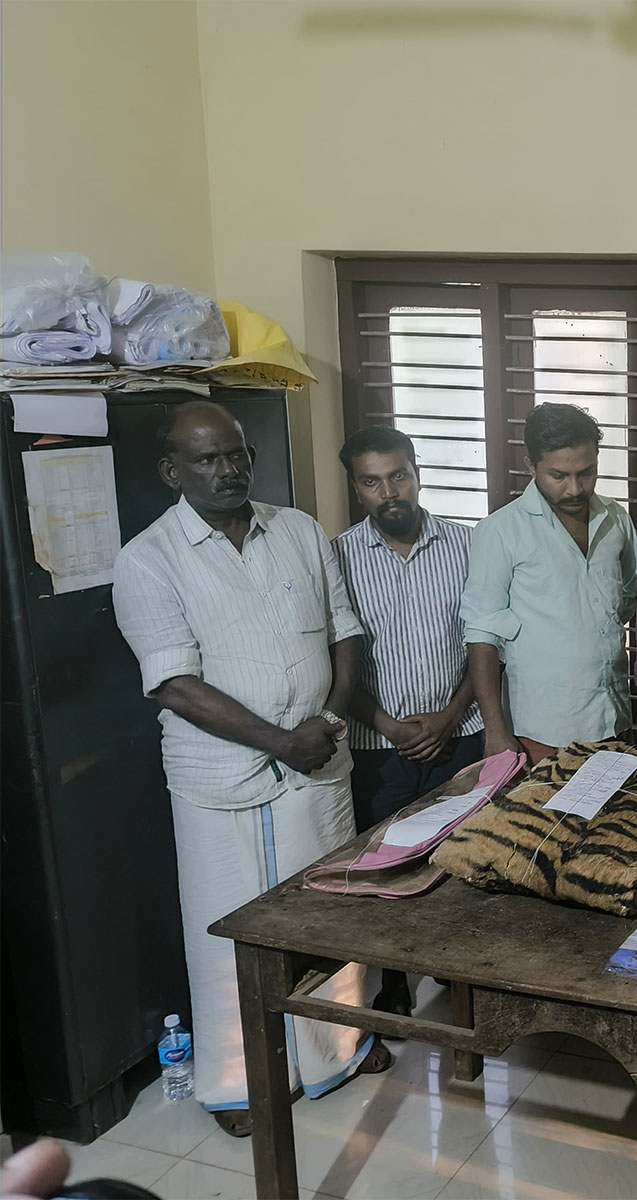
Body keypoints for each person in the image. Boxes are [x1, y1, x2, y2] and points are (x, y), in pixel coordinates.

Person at [112, 401, 389, 1139]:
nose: (229, 469)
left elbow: (346, 634)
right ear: (173, 470)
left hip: (318, 761)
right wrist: (277, 739)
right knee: (228, 933)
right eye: (207, 459)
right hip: (221, 781)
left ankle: (344, 1045)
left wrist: (326, 723)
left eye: (236, 454)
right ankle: (241, 1081)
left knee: (331, 913)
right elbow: (174, 682)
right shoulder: (148, 558)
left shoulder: (296, 529)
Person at [332, 424, 483, 1017]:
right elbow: (335, 659)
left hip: (461, 736)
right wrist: (390, 727)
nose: (388, 491)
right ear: (356, 487)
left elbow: (485, 643)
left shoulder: (467, 546)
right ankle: (393, 979)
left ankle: (461, 974)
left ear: (417, 473)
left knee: (462, 860)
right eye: (372, 482)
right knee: (385, 869)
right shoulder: (337, 557)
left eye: (398, 476)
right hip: (379, 746)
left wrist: (451, 716)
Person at [460, 403, 637, 758]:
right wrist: (495, 732)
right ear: (531, 466)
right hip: (541, 729)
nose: (575, 488)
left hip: (613, 717)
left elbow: (630, 597)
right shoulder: (501, 532)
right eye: (559, 475)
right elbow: (482, 637)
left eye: (587, 473)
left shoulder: (616, 520)